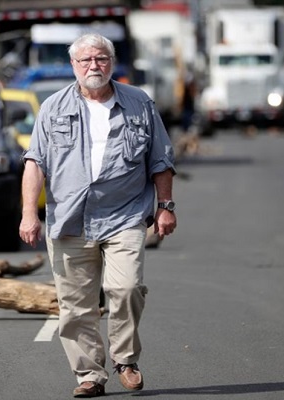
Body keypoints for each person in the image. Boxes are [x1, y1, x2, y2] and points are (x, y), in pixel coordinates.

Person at [19, 33, 177, 398]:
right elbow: (35, 163)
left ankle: (125, 358)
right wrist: (30, 213)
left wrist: (165, 207)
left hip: (125, 215)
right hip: (69, 219)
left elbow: (161, 159)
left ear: (113, 62)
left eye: (102, 59)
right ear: (73, 65)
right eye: (86, 60)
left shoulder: (140, 103)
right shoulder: (52, 108)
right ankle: (89, 375)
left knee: (125, 288)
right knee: (75, 307)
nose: (94, 66)